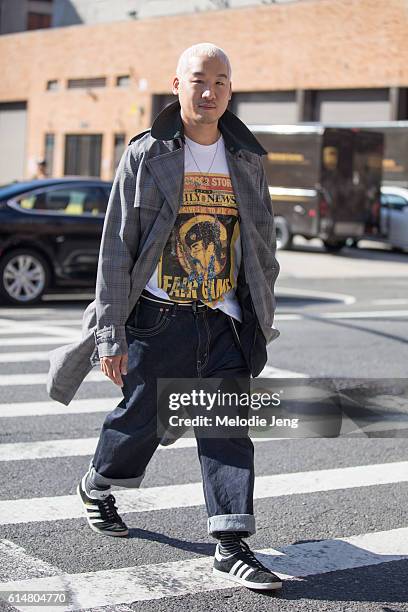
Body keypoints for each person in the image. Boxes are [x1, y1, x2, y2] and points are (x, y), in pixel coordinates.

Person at [74, 43, 281, 591]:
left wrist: (263, 311)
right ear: (177, 85)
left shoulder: (247, 159)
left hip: (226, 320)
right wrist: (109, 335)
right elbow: (117, 248)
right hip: (159, 319)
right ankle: (98, 484)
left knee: (228, 432)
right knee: (140, 421)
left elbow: (262, 246)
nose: (209, 91)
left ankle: (231, 543)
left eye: (219, 81)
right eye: (198, 80)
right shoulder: (147, 155)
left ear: (231, 90)